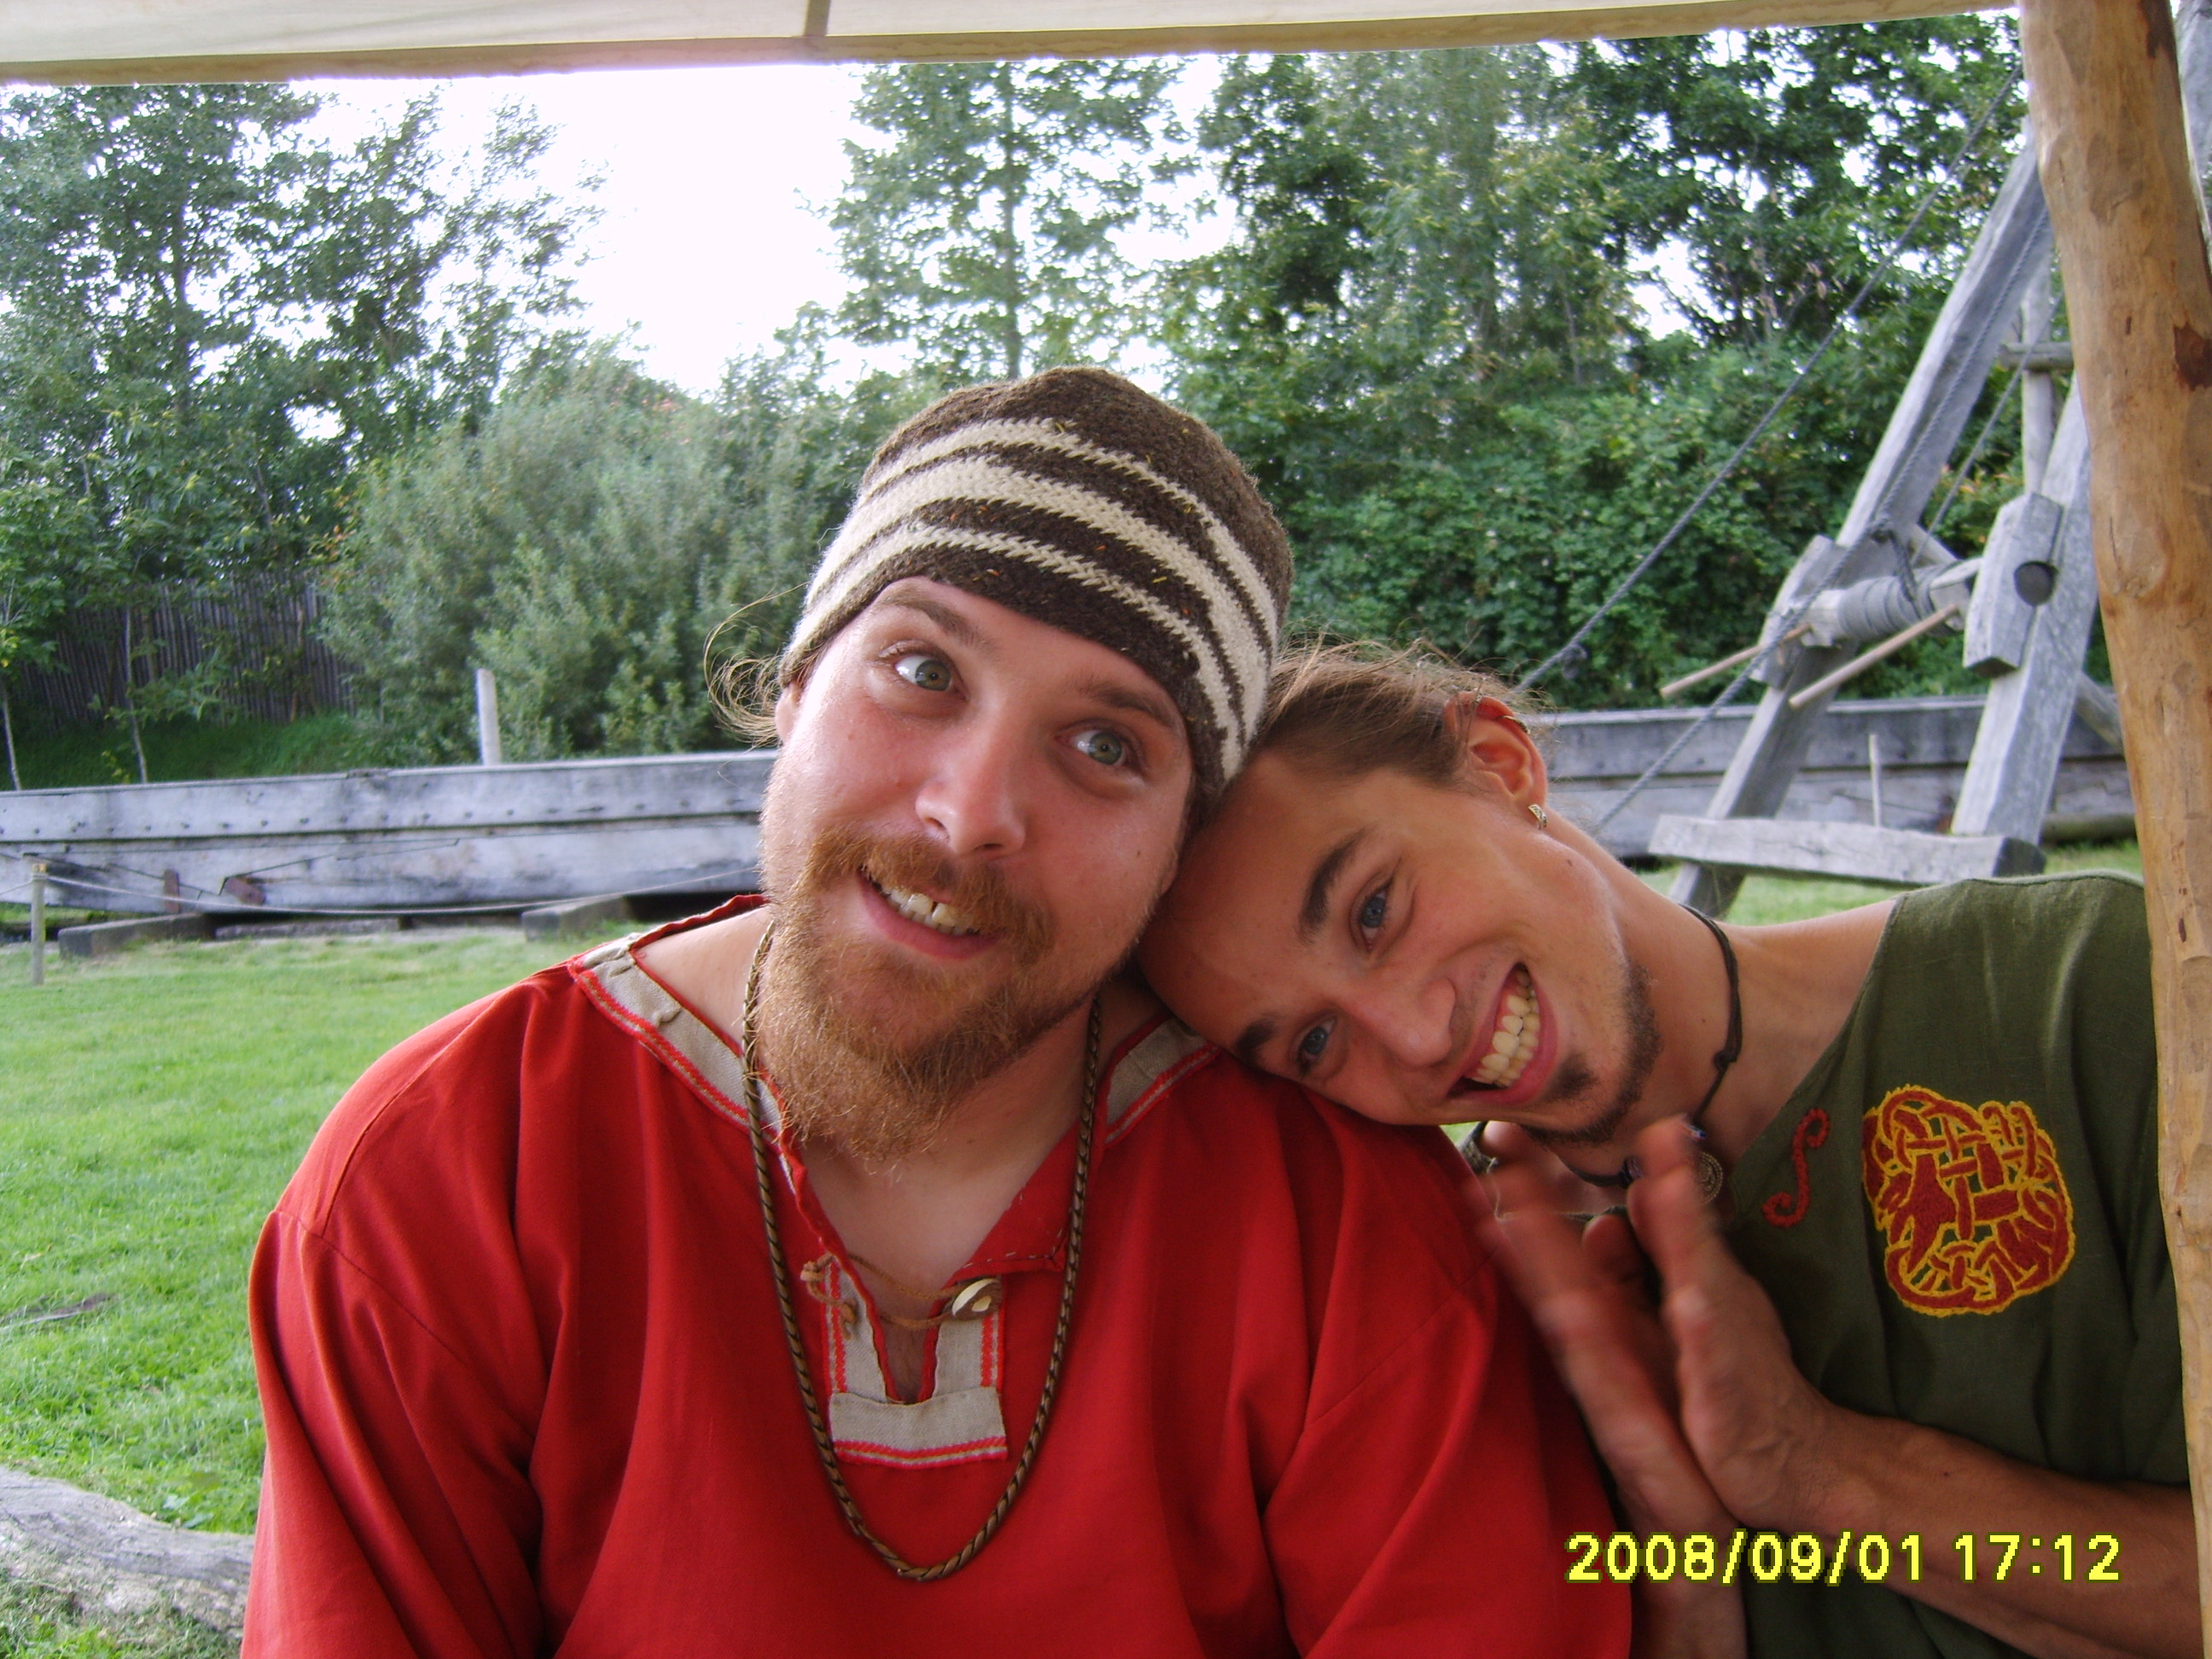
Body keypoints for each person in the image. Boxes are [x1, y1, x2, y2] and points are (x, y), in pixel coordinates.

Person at [243, 373, 1626, 1658]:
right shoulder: (448, 1171)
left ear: (1175, 850)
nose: (971, 812)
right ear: (795, 685)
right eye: (922, 670)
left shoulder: (1336, 1221)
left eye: (1107, 745)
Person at [1138, 643, 2195, 1659]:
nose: (1415, 1040)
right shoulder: (1472, 1296)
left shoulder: (2077, 996)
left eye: (1376, 909)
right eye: (1315, 1043)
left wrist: (1825, 1471)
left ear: (1500, 766)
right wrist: (1679, 1549)